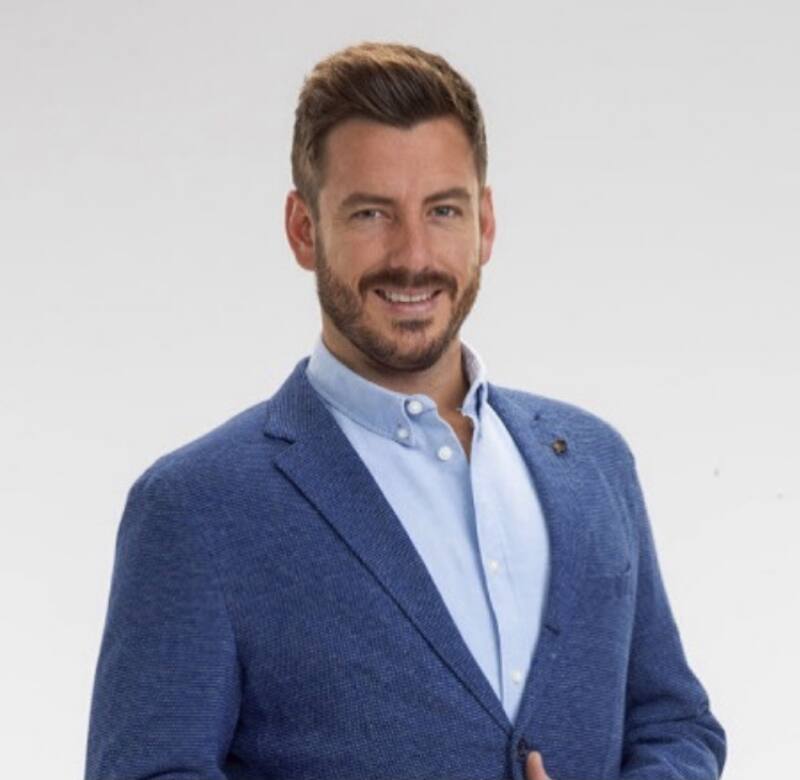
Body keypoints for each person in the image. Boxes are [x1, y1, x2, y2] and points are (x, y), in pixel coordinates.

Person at [85, 42, 726, 780]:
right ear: (303, 229)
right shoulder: (195, 508)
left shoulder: (593, 460)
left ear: (485, 222)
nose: (413, 255)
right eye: (370, 213)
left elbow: (673, 723)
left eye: (443, 210)